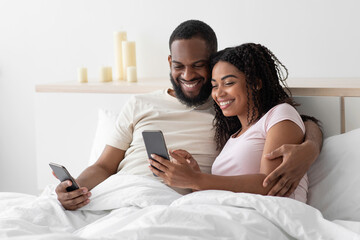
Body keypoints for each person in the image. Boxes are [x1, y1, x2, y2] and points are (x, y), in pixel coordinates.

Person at [54, 20, 322, 210]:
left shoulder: (226, 112)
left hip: (169, 203)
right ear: (170, 63)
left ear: (213, 62)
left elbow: (292, 118)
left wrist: (310, 147)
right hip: (116, 192)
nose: (188, 75)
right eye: (179, 66)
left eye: (198, 66)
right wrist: (75, 187)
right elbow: (103, 166)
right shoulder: (139, 103)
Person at [149, 43, 312, 202]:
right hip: (233, 215)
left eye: (228, 83)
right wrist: (193, 174)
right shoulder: (233, 138)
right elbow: (224, 193)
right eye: (214, 86)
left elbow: (270, 185)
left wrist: (196, 179)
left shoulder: (279, 114)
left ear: (256, 83)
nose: (219, 93)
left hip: (272, 216)